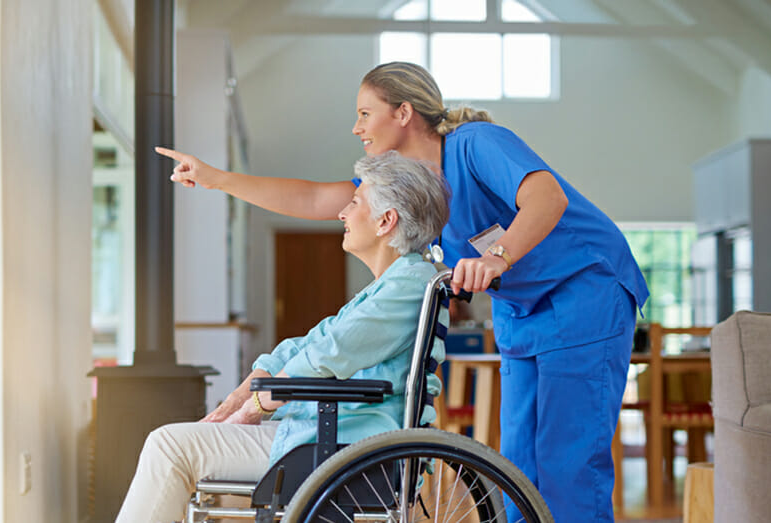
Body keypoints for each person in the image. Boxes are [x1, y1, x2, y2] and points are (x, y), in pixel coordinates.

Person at [156, 62, 649, 522]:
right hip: (521, 309)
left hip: (585, 288)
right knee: (520, 461)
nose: (357, 127)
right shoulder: (414, 187)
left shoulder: (476, 144)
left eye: (365, 114)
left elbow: (546, 195)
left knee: (568, 459)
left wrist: (497, 258)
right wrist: (217, 179)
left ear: (404, 113)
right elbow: (312, 197)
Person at [115, 151, 451, 523]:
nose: (342, 213)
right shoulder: (391, 285)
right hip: (329, 434)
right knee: (199, 466)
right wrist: (234, 402)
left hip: (342, 445)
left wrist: (252, 410)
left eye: (354, 203)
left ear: (386, 221)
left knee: (169, 446)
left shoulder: (407, 284)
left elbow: (325, 355)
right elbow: (305, 345)